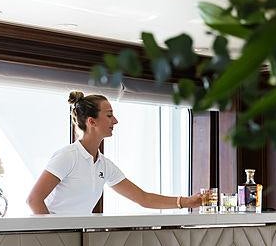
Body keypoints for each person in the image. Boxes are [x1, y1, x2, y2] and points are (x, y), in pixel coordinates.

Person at [26, 91, 203, 215]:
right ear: (91, 121)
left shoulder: (104, 165)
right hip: (51, 240)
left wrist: (186, 202)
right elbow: (34, 199)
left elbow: (143, 198)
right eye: (109, 115)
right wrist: (52, 235)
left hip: (76, 238)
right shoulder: (68, 156)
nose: (115, 121)